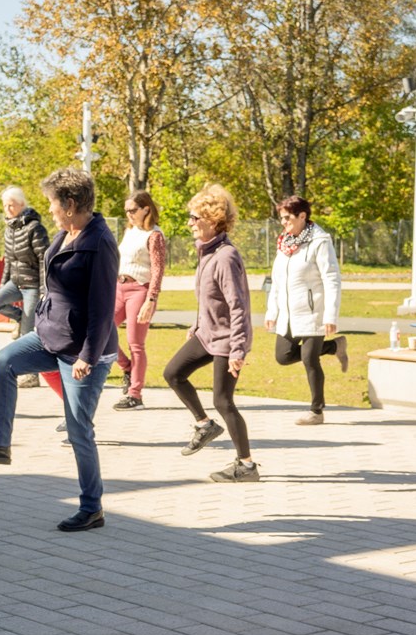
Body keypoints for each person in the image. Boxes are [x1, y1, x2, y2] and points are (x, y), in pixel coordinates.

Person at [0, 168, 118, 532]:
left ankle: (91, 507)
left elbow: (102, 308)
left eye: (52, 203)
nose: (49, 209)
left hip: (82, 349)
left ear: (70, 204)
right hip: (51, 336)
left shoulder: (99, 242)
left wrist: (88, 356)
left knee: (79, 430)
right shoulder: (65, 234)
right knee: (4, 360)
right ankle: (0, 444)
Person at [163, 184, 257, 482]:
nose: (189, 223)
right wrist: (197, 324)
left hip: (228, 340)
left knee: (223, 401)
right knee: (173, 373)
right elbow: (209, 298)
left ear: (213, 220)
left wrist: (238, 349)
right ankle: (205, 425)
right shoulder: (208, 252)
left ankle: (246, 466)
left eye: (195, 217)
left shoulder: (226, 256)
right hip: (207, 334)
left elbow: (238, 305)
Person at [264, 195, 346, 425]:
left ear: (302, 216)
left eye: (287, 218)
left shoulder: (320, 241)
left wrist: (330, 315)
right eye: (281, 218)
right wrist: (272, 312)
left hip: (313, 312)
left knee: (310, 360)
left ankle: (316, 411)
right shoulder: (284, 243)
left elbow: (332, 279)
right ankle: (334, 346)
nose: (283, 222)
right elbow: (277, 281)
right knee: (283, 356)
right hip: (288, 314)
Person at [0, 186, 50, 387]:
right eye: (5, 205)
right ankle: (20, 318)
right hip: (15, 282)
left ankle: (32, 376)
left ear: (22, 205)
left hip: (32, 284)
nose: (7, 209)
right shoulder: (9, 229)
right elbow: (9, 259)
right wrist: (3, 282)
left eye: (11, 205)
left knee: (27, 333)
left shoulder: (35, 228)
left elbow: (44, 259)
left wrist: (44, 289)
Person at [112, 190, 167, 410]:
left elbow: (158, 270)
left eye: (133, 210)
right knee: (99, 329)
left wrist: (151, 299)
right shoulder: (130, 231)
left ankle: (135, 395)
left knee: (135, 343)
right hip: (119, 287)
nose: (128, 214)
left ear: (146, 209)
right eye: (126, 210)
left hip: (140, 290)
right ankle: (126, 367)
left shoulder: (154, 235)